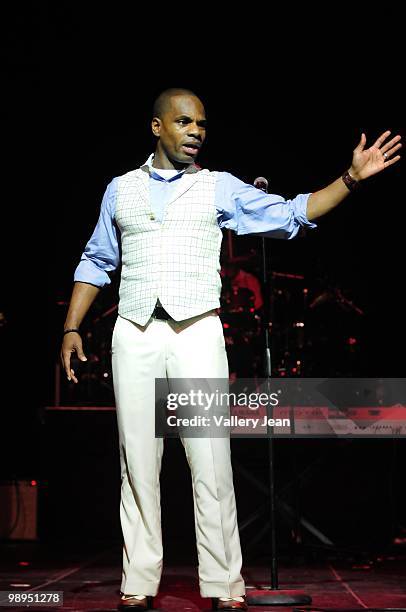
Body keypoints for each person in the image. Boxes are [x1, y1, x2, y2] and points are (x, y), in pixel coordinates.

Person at [60, 89, 401, 611]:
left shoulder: (218, 188)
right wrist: (71, 328)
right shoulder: (119, 190)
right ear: (157, 127)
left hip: (196, 330)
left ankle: (223, 586)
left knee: (211, 462)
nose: (195, 131)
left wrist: (351, 179)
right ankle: (138, 583)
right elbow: (96, 259)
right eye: (183, 122)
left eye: (201, 123)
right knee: (137, 463)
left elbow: (293, 214)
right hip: (135, 330)